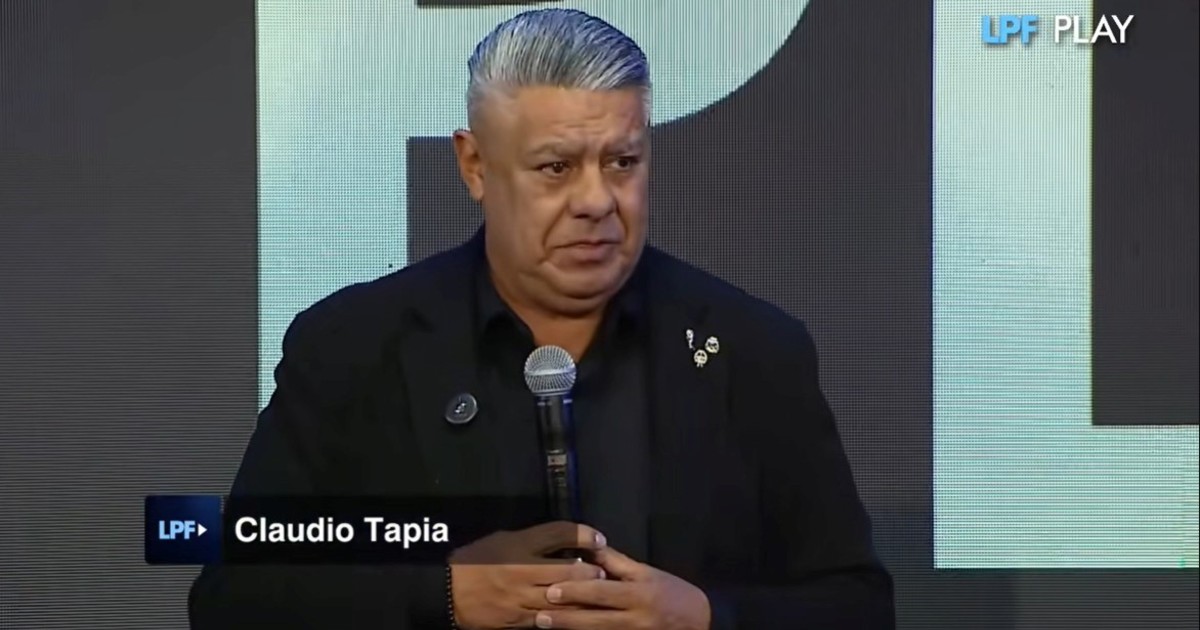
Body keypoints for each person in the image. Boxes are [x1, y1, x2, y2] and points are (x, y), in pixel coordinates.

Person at [190, 8, 894, 629]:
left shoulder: (752, 349)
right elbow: (232, 598)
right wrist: (443, 596)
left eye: (622, 162)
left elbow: (858, 605)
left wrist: (707, 618)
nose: (597, 201)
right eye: (557, 168)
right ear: (475, 165)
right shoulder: (354, 347)